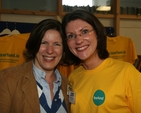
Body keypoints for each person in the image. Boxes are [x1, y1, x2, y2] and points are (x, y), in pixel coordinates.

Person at [62, 9, 141, 113]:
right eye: (71, 36)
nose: (79, 40)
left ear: (97, 34)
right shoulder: (73, 77)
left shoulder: (127, 72)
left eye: (84, 31)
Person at [0, 19, 70, 113]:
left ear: (63, 49)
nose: (50, 50)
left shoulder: (67, 84)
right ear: (34, 44)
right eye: (43, 43)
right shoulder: (7, 79)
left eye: (57, 44)